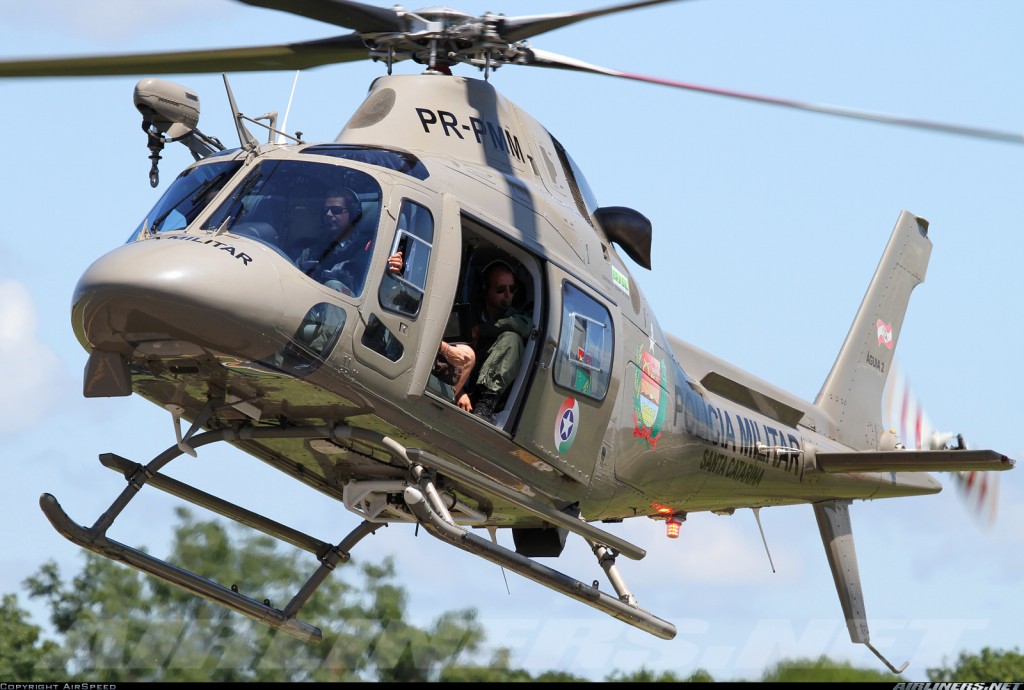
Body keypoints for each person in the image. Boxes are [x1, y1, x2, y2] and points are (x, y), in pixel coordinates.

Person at [466, 259, 533, 423]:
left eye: (512, 288)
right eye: (501, 289)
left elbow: (523, 327)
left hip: (485, 394)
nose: (508, 294)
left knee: (512, 338)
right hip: (463, 375)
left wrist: (480, 330)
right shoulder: (469, 312)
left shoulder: (515, 317)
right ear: (485, 290)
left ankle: (485, 403)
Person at [296, 187, 373, 296]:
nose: (328, 214)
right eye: (325, 210)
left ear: (353, 213)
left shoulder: (366, 249)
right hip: (312, 305)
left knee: (333, 285)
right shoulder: (313, 252)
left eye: (336, 210)